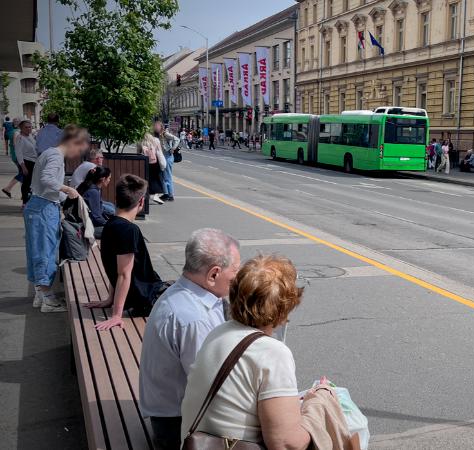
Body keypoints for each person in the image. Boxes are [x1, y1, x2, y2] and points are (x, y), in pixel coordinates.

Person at [180, 255, 312, 449]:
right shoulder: (272, 352)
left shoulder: (218, 332)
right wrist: (316, 413)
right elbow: (284, 443)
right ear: (283, 309)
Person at [140, 228, 240, 450]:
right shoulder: (194, 318)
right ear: (213, 274)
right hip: (178, 426)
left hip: (169, 411)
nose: (237, 281)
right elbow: (213, 388)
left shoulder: (183, 294)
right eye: (234, 274)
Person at [86, 175, 163, 329]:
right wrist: (116, 315)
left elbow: (116, 268)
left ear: (117, 199)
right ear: (141, 202)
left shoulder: (111, 224)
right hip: (147, 298)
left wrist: (110, 299)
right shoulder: (129, 230)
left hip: (142, 294)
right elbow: (123, 274)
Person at [25, 125, 87, 313]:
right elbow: (47, 179)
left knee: (36, 250)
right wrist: (68, 189)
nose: (78, 153)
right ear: (73, 142)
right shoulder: (55, 156)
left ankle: (41, 294)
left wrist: (64, 197)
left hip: (36, 205)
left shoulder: (47, 153)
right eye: (80, 147)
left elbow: (43, 183)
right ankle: (48, 299)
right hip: (44, 208)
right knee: (46, 251)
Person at [77, 166, 112, 236]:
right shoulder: (93, 192)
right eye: (109, 178)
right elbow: (96, 217)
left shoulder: (88, 186)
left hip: (83, 223)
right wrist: (110, 224)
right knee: (117, 230)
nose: (109, 180)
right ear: (103, 179)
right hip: (85, 227)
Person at [138, 132, 167, 205]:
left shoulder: (141, 143)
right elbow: (159, 151)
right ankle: (154, 195)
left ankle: (146, 195)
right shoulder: (154, 142)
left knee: (146, 179)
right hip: (155, 163)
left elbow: (138, 153)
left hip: (145, 163)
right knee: (156, 179)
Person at [154, 121, 180, 202]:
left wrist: (173, 148)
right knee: (163, 176)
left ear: (161, 127)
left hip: (167, 156)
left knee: (167, 176)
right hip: (163, 156)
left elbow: (177, 139)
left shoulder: (165, 134)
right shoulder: (158, 135)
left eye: (157, 126)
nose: (155, 127)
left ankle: (170, 195)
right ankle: (166, 193)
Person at [15, 120, 38, 205]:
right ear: (21, 128)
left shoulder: (30, 136)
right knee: (26, 183)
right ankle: (25, 202)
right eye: (26, 127)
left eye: (30, 127)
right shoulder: (20, 138)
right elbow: (19, 153)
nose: (29, 129)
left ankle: (29, 200)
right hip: (27, 163)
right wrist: (23, 167)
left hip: (33, 162)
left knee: (31, 183)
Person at [2, 120, 25, 199]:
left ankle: (23, 193)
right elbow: (16, 145)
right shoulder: (17, 132)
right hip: (18, 156)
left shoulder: (13, 132)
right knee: (23, 173)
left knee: (22, 174)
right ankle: (7, 188)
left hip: (16, 156)